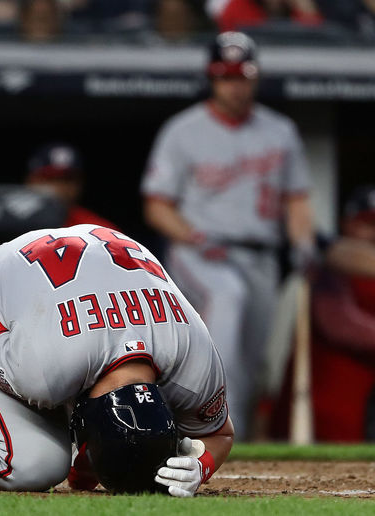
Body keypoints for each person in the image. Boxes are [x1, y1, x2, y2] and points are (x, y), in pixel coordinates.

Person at [0, 224, 234, 495]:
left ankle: (82, 450)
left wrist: (200, 467)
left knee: (57, 396)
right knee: (33, 463)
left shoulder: (197, 362)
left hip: (81, 263)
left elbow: (219, 435)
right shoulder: (43, 372)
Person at [140, 31, 315, 439]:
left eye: (243, 76)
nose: (235, 86)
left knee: (253, 360)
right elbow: (157, 206)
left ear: (255, 78)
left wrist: (303, 243)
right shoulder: (183, 131)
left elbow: (297, 200)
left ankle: (235, 433)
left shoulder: (280, 131)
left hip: (263, 257)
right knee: (227, 303)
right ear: (212, 78)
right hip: (202, 250)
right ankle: (212, 431)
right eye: (226, 77)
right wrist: (195, 237)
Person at [309, 186, 375, 441]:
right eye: (369, 224)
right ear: (347, 224)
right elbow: (339, 324)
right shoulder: (332, 262)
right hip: (335, 402)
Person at [25, 143, 119, 231]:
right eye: (49, 178)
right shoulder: (12, 222)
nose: (59, 187)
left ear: (80, 184)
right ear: (30, 180)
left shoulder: (98, 230)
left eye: (67, 179)